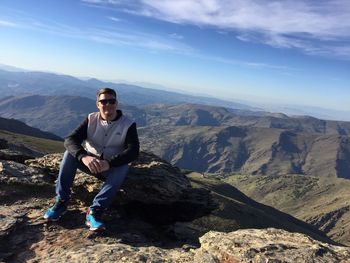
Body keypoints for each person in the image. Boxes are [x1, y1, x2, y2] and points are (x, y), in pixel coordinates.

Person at [44, 88, 140, 232]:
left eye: (111, 101)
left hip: (110, 168)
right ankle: (62, 201)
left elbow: (133, 151)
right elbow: (70, 140)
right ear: (98, 104)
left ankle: (95, 210)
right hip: (90, 163)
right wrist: (84, 156)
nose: (108, 104)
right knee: (69, 154)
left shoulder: (128, 124)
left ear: (116, 103)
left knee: (123, 167)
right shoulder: (91, 119)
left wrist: (109, 163)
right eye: (103, 101)